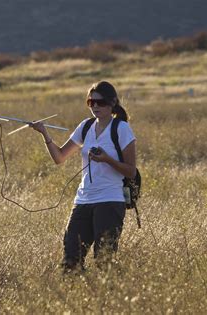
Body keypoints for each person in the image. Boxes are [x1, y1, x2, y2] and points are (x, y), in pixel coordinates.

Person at [31, 81, 136, 272]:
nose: (95, 106)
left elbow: (130, 170)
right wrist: (44, 134)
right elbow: (59, 157)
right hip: (83, 200)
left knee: (104, 261)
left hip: (110, 200)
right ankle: (78, 297)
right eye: (91, 102)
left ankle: (109, 297)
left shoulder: (121, 128)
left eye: (100, 102)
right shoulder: (85, 126)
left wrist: (106, 159)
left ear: (112, 102)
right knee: (70, 260)